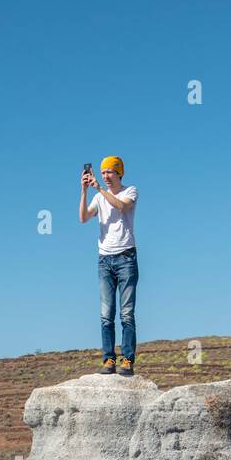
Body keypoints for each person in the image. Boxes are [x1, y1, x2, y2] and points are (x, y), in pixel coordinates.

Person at [79, 155, 139, 375]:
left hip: (126, 258)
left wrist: (99, 190)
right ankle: (108, 359)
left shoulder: (130, 191)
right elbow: (83, 217)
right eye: (103, 172)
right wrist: (85, 191)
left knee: (126, 314)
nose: (105, 176)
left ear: (119, 173)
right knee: (106, 314)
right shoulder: (98, 196)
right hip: (104, 260)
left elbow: (122, 206)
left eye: (109, 172)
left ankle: (127, 359)